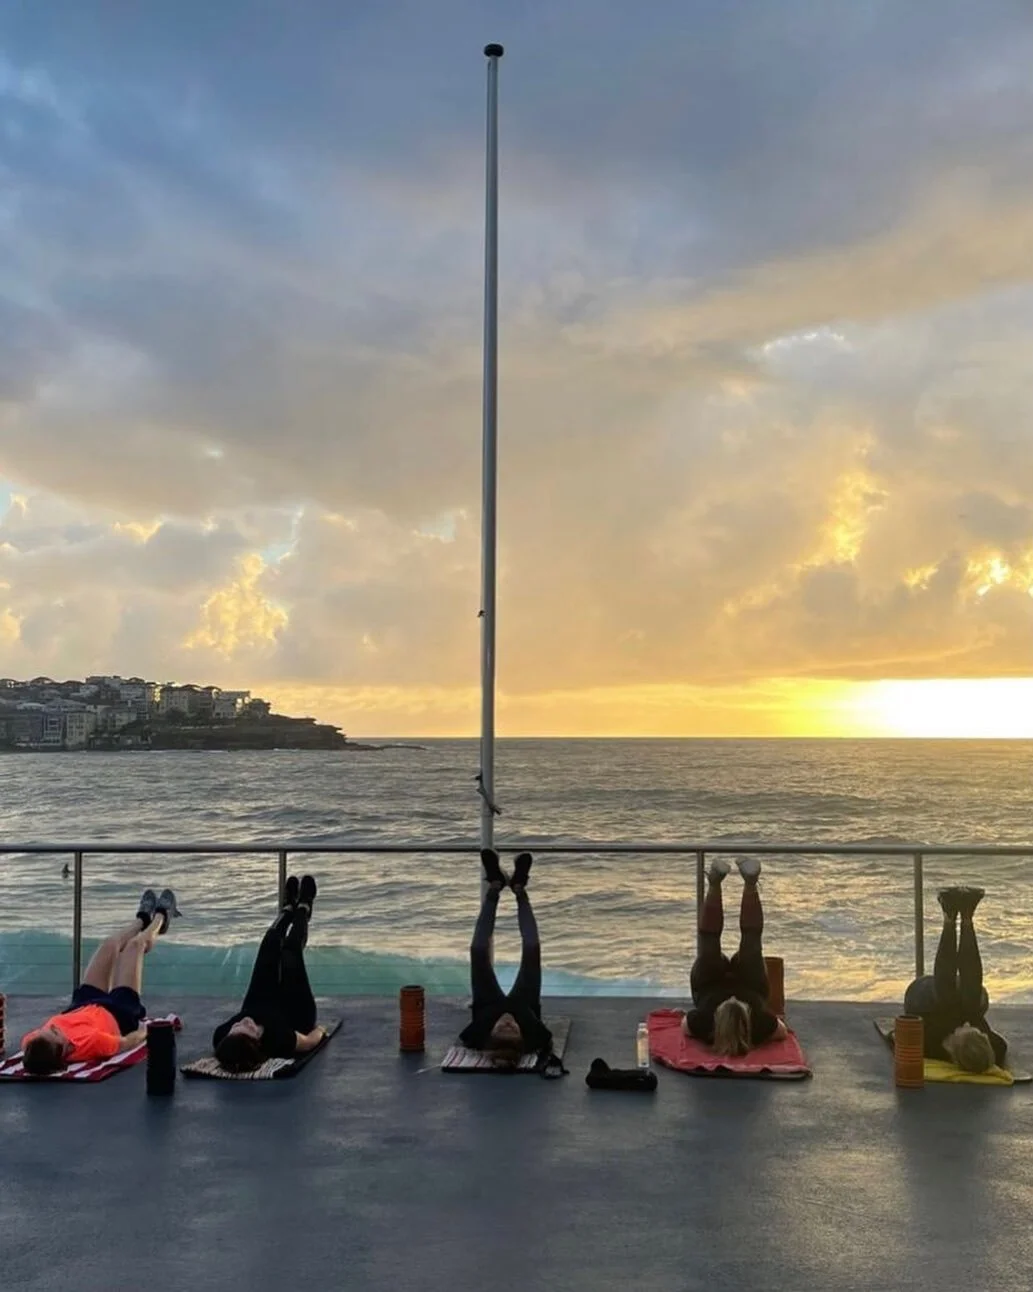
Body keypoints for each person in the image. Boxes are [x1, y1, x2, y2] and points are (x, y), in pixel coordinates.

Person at [21, 887, 180, 1075]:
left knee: (108, 944)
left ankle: (142, 919)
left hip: (81, 1005)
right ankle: (161, 918)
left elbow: (35, 1047)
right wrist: (145, 1031)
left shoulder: (32, 1043)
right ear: (64, 1051)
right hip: (119, 1013)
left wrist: (49, 1034)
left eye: (46, 1029)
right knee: (135, 946)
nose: (53, 1026)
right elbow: (126, 1042)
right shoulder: (91, 1043)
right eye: (55, 1033)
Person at [212, 875, 328, 1072]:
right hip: (295, 1014)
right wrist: (322, 1030)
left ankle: (287, 910)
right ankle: (304, 907)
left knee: (270, 942)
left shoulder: (221, 1036)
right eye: (249, 1028)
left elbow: (238, 1030)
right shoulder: (279, 1039)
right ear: (258, 1040)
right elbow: (309, 1041)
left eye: (237, 1026)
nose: (244, 1021)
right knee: (290, 950)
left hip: (260, 1003)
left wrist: (241, 1026)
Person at [683, 858, 787, 1056]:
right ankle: (718, 882)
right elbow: (685, 1026)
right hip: (730, 984)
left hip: (728, 983)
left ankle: (747, 883)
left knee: (749, 942)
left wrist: (754, 1038)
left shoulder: (708, 1024)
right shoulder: (706, 1024)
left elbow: (780, 1031)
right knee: (712, 943)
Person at [459, 850, 552, 1063]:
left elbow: (468, 1041)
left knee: (478, 949)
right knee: (532, 947)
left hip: (487, 1001)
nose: (508, 1023)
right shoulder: (535, 1036)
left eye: (501, 1028)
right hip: (525, 1002)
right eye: (513, 1029)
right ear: (522, 1033)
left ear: (490, 1031)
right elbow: (545, 1044)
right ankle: (519, 889)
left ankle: (495, 886)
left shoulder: (476, 1035)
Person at [903, 886, 1006, 1073]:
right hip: (967, 992)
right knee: (971, 1003)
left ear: (953, 1050)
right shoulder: (995, 1049)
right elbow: (999, 1045)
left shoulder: (930, 1046)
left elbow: (898, 1038)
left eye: (962, 1031)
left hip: (924, 996)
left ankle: (949, 916)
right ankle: (967, 917)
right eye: (976, 1031)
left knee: (946, 1000)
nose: (966, 1024)